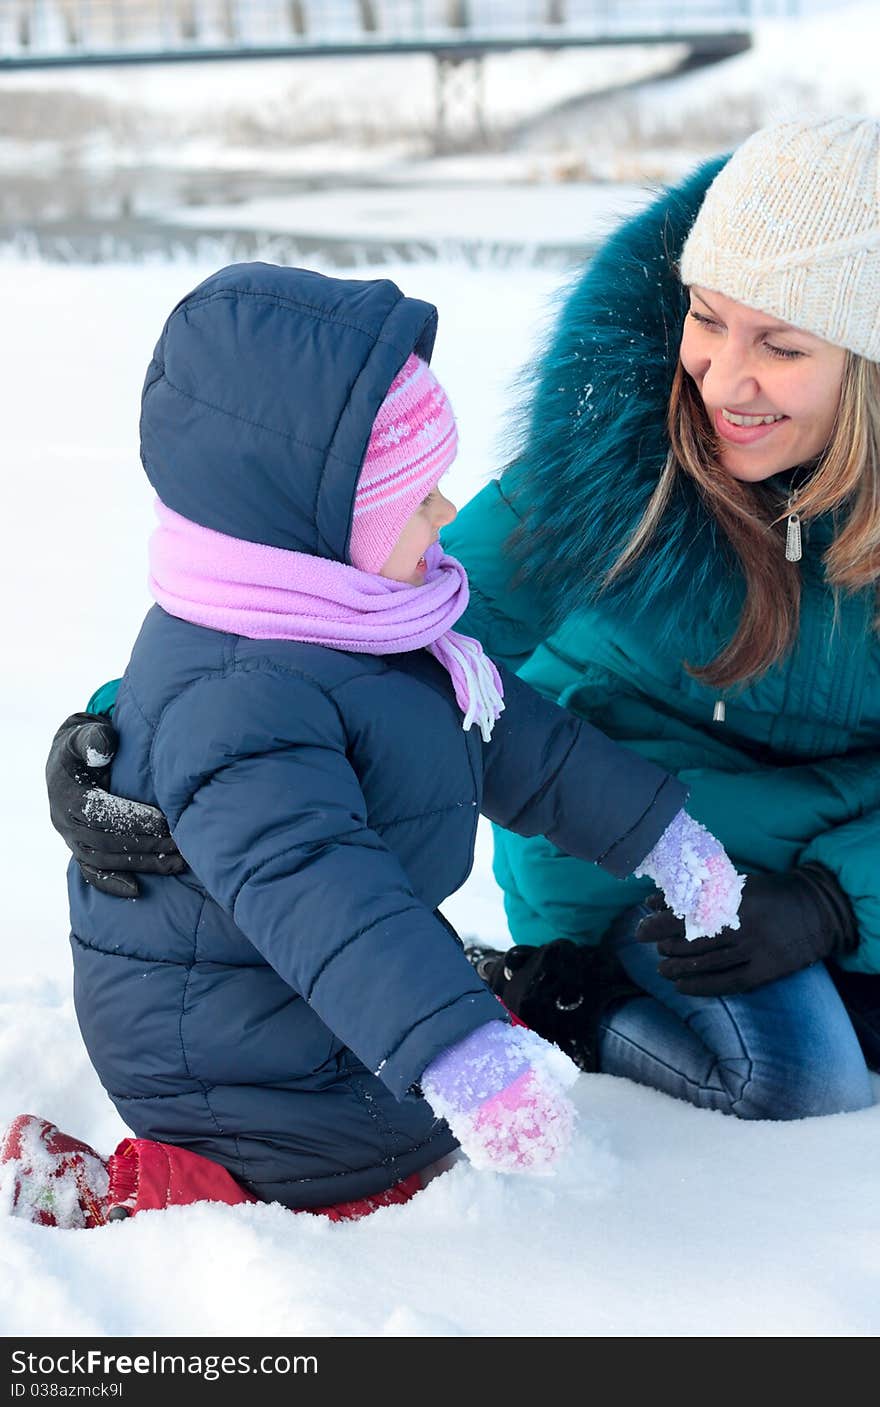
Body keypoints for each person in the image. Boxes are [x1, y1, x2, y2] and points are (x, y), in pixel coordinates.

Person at [44, 115, 880, 1126]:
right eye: (705, 319)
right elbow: (340, 617)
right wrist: (132, 732)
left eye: (781, 345)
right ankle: (557, 993)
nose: (720, 379)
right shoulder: (620, 471)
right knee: (803, 1082)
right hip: (641, 841)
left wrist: (841, 900)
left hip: (845, 848)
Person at [4, 261, 737, 1229]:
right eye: (414, 497)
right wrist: (459, 1055)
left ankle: (426, 1038)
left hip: (300, 989)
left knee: (415, 1104)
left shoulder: (365, 617)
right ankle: (135, 1192)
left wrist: (661, 838)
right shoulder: (247, 695)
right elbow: (318, 883)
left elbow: (519, 743)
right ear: (314, 524)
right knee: (351, 1172)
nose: (445, 515)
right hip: (227, 1052)